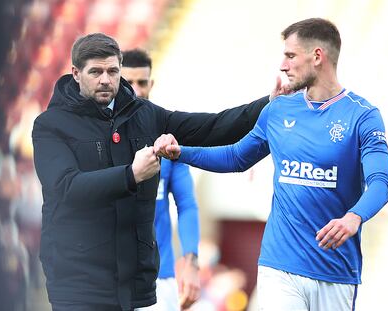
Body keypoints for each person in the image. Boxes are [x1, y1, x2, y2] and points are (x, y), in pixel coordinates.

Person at [155, 18, 388, 311]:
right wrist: (182, 153)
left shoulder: (363, 116)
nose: (283, 65)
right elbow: (236, 157)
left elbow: (381, 182)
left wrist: (354, 217)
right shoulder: (279, 109)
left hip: (335, 269)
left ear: (317, 56)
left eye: (290, 56)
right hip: (279, 265)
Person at [32, 32, 274, 311]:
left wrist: (268, 103)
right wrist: (130, 175)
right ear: (75, 73)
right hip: (78, 282)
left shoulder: (145, 114)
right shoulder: (50, 125)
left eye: (112, 71)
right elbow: (66, 188)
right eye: (95, 72)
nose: (105, 80)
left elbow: (211, 127)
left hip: (138, 282)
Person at [122, 49, 201, 310]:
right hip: (109, 281)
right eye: (128, 83)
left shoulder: (167, 140)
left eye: (142, 82)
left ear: (151, 84)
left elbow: (187, 204)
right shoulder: (99, 140)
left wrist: (190, 261)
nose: (136, 90)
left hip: (158, 280)